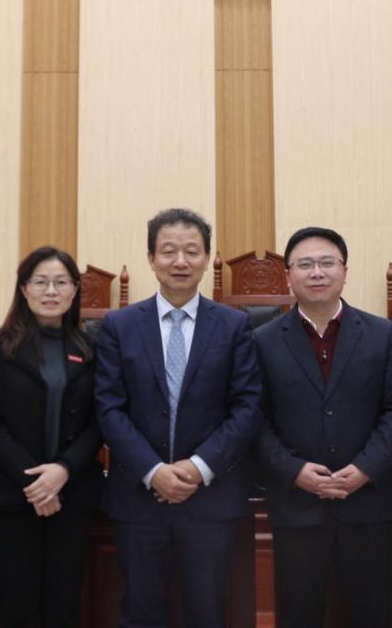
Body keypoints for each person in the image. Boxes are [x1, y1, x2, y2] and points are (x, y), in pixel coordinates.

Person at [94, 208, 262, 628]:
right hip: (139, 498)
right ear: (151, 259)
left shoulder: (234, 325)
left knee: (208, 613)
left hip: (209, 497)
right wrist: (154, 472)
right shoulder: (119, 325)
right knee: (141, 613)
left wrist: (196, 467)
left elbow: (247, 407)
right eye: (168, 251)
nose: (180, 261)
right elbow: (109, 408)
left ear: (206, 259)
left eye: (192, 251)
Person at [254, 226, 392, 628]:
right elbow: (253, 420)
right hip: (297, 506)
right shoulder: (261, 341)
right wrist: (294, 471)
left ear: (345, 271)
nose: (317, 272)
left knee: (371, 615)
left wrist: (364, 469)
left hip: (367, 503)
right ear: (288, 275)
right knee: (297, 616)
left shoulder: (381, 335)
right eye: (305, 264)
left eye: (327, 263)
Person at [0, 246, 103, 628]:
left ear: (75, 290)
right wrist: (37, 484)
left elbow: (100, 421)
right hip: (13, 496)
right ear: (24, 288)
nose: (51, 291)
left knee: (65, 605)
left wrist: (63, 471)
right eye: (41, 282)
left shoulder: (91, 349)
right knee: (18, 605)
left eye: (61, 282)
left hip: (72, 495)